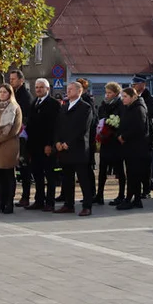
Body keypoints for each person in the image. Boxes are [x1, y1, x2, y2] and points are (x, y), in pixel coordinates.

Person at [53, 79, 96, 216]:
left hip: (78, 148)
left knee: (83, 179)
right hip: (64, 150)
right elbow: (58, 126)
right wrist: (58, 141)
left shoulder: (85, 107)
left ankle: (87, 206)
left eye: (71, 89)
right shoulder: (65, 106)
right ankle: (68, 204)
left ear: (79, 91)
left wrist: (68, 142)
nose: (68, 91)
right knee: (67, 178)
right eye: (68, 89)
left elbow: (82, 128)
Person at [0, 83, 24, 215]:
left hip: (7, 145)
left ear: (10, 94)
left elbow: (14, 130)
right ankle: (0, 202)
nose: (2, 94)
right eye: (0, 92)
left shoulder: (15, 108)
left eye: (5, 92)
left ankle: (9, 203)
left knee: (8, 175)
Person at [27, 78, 60, 211]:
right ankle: (39, 200)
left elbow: (54, 126)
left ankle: (50, 202)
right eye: (36, 87)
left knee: (49, 175)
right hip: (34, 145)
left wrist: (49, 144)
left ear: (47, 89)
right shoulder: (34, 102)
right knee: (37, 174)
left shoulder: (53, 104)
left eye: (41, 87)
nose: (38, 89)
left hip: (46, 145)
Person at [116, 86, 150, 210]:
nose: (123, 99)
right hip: (129, 147)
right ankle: (135, 199)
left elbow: (139, 128)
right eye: (122, 96)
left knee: (134, 174)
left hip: (136, 148)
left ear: (133, 97)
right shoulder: (128, 108)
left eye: (125, 96)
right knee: (131, 173)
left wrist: (124, 136)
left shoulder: (138, 109)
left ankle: (131, 199)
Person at [130, 75, 153, 196]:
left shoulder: (149, 98)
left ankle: (147, 188)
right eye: (133, 85)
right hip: (136, 135)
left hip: (147, 134)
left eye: (136, 84)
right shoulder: (134, 97)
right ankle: (142, 186)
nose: (134, 86)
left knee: (146, 164)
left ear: (143, 84)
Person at [97, 82, 126, 206]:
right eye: (106, 92)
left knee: (119, 169)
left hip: (116, 142)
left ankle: (120, 195)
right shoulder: (104, 104)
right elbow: (100, 117)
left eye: (109, 93)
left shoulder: (121, 104)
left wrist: (114, 130)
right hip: (105, 140)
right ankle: (99, 195)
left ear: (116, 93)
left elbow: (122, 121)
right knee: (102, 169)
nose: (107, 95)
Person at [8, 70, 32, 208]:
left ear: (21, 80)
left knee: (24, 168)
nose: (11, 81)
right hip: (13, 136)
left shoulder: (25, 96)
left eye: (14, 79)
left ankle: (25, 196)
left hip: (22, 136)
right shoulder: (14, 94)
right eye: (10, 79)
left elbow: (25, 116)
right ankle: (6, 195)